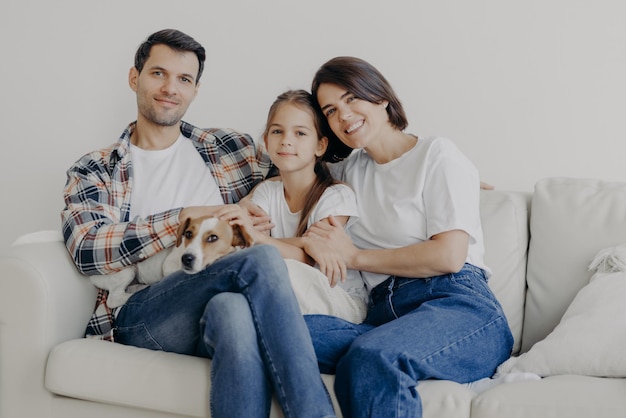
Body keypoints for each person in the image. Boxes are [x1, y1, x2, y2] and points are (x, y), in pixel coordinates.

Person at [61, 29, 336, 418]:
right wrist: (183, 216)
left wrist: (326, 230)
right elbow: (88, 248)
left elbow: (301, 155)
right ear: (134, 78)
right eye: (158, 73)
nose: (170, 88)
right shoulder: (96, 169)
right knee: (258, 261)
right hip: (144, 312)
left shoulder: (229, 150)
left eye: (184, 79)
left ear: (195, 89)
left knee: (232, 311)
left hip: (214, 305)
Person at [301, 56, 514, 418]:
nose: (344, 115)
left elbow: (448, 256)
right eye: (331, 110)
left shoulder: (438, 154)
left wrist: (354, 257)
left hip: (457, 303)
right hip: (384, 317)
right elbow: (287, 153)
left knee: (372, 358)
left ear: (381, 97)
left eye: (352, 98)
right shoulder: (347, 172)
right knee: (268, 328)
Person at [217, 89, 367, 323]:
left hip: (340, 299)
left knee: (268, 270)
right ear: (266, 141)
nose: (286, 140)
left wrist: (256, 235)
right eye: (277, 131)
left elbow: (309, 258)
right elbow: (252, 248)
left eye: (300, 133)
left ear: (320, 145)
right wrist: (302, 242)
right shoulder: (267, 191)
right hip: (288, 291)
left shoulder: (336, 196)